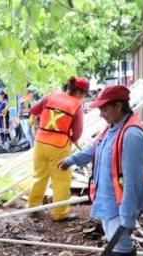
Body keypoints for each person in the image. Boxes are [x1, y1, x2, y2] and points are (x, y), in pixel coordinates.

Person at [59, 85, 143, 256]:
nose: (101, 113)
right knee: (111, 235)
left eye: (105, 109)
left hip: (121, 199)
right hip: (108, 195)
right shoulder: (112, 126)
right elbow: (95, 147)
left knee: (122, 238)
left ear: (119, 106)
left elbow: (133, 179)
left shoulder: (132, 134)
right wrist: (72, 160)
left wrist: (128, 213)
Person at [27, 76, 89, 221]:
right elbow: (78, 131)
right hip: (59, 145)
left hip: (40, 142)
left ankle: (33, 207)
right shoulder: (77, 104)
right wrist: (72, 140)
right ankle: (60, 213)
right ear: (80, 92)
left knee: (39, 176)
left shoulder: (51, 95)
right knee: (61, 180)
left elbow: (34, 110)